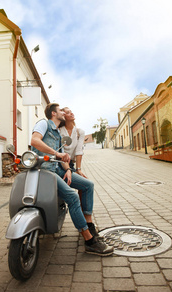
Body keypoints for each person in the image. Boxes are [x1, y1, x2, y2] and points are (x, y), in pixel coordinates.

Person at [31, 103, 113, 256]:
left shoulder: (57, 134)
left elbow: (61, 156)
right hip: (45, 171)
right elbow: (35, 141)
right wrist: (57, 154)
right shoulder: (43, 124)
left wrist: (68, 169)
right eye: (62, 110)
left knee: (88, 185)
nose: (65, 112)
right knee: (73, 197)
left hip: (58, 170)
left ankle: (89, 225)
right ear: (54, 114)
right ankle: (89, 241)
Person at [59, 107, 86, 178]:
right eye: (68, 112)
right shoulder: (59, 131)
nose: (72, 113)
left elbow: (79, 151)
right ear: (63, 117)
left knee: (83, 182)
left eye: (71, 111)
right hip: (59, 163)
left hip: (70, 164)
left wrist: (78, 169)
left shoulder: (80, 132)